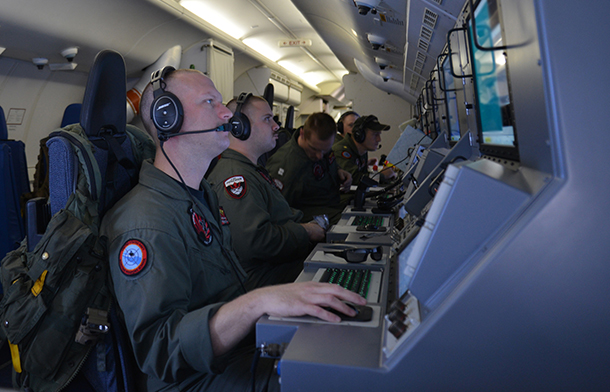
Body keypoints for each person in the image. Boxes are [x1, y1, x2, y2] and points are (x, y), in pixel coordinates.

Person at [100, 68, 365, 392]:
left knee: (348, 351)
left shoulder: (199, 196)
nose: (226, 112)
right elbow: (162, 351)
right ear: (168, 118)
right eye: (210, 102)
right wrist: (257, 303)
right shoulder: (145, 222)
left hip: (239, 351)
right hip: (195, 380)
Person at [207, 93, 325, 289]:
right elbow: (256, 242)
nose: (276, 126)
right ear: (239, 127)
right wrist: (305, 232)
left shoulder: (250, 170)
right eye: (267, 119)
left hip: (277, 269)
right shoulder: (235, 177)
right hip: (264, 280)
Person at [265, 112, 353, 225]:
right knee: (348, 224)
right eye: (314, 149)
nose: (319, 156)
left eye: (325, 151)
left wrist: (339, 170)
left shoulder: (319, 143)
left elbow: (327, 162)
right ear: (302, 134)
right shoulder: (287, 166)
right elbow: (278, 212)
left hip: (330, 201)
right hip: (306, 214)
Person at [333, 114, 397, 186]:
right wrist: (381, 176)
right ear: (360, 135)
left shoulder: (362, 151)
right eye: (375, 134)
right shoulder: (341, 150)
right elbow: (354, 178)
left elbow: (363, 175)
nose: (379, 139)